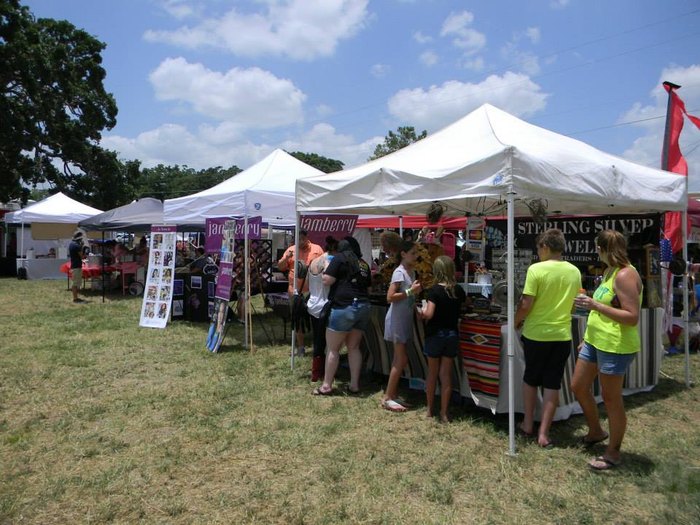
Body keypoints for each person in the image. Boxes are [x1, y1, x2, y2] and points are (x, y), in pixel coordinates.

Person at [571, 230, 642, 470]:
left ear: (603, 249)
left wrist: (594, 304)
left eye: (597, 248)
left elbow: (632, 317)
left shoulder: (625, 275)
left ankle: (613, 452)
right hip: (595, 340)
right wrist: (588, 335)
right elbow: (606, 307)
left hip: (615, 345)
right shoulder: (609, 271)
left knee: (612, 400)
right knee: (578, 386)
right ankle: (596, 431)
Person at [514, 229, 581, 448]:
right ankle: (544, 433)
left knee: (531, 379)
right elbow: (573, 304)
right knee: (553, 384)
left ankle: (527, 424)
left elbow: (526, 303)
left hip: (536, 333)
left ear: (545, 246)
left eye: (538, 248)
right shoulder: (574, 271)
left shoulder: (536, 269)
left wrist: (515, 322)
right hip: (561, 335)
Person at [313, 236, 371, 396]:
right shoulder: (363, 263)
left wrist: (326, 267)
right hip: (363, 306)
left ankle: (326, 386)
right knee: (353, 347)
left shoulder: (339, 258)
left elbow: (327, 280)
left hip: (344, 306)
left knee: (333, 348)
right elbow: (369, 286)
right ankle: (354, 385)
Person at [417, 255, 466, 422]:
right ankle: (444, 413)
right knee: (446, 375)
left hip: (435, 334)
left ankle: (430, 410)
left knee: (432, 374)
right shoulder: (458, 290)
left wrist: (420, 313)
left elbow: (429, 314)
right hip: (452, 334)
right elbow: (466, 306)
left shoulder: (434, 291)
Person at [381, 240, 422, 412]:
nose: (416, 255)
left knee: (400, 359)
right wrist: (410, 292)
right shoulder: (399, 272)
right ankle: (388, 397)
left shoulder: (411, 272)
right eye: (413, 253)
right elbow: (390, 297)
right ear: (403, 254)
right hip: (397, 319)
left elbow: (409, 298)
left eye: (416, 253)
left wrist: (417, 307)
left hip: (404, 318)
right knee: (401, 359)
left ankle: (392, 394)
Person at [278, 229, 323, 356]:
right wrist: (286, 258)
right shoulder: (291, 250)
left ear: (306, 237)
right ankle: (301, 346)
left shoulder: (317, 249)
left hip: (313, 291)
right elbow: (280, 267)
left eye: (302, 239)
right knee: (298, 319)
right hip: (295, 291)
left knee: (315, 318)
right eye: (298, 240)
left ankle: (317, 345)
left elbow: (325, 265)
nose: (300, 242)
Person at [306, 236, 339, 382]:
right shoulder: (329, 260)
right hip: (324, 304)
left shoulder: (313, 261)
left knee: (317, 340)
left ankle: (317, 371)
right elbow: (328, 280)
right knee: (325, 342)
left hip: (313, 303)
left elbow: (308, 282)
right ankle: (319, 372)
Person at [68, 229, 87, 303]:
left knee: (75, 282)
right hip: (76, 266)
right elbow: (82, 256)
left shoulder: (71, 244)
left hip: (74, 265)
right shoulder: (76, 246)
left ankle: (76, 298)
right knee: (75, 283)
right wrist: (83, 249)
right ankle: (75, 299)